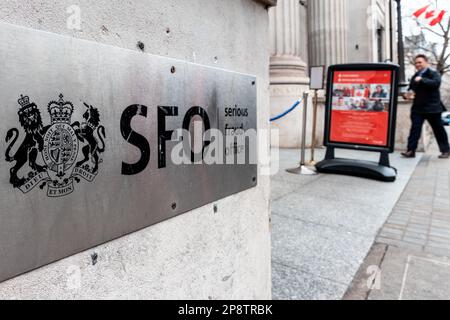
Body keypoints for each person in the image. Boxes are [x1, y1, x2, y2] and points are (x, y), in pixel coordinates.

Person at [402, 54, 450, 159]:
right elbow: (411, 89)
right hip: (418, 108)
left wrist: (422, 80)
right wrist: (407, 95)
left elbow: (436, 84)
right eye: (416, 63)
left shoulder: (433, 73)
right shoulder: (415, 76)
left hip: (432, 108)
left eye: (420, 62)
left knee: (438, 130)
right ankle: (411, 151)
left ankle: (446, 150)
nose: (417, 64)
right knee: (415, 129)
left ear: (426, 62)